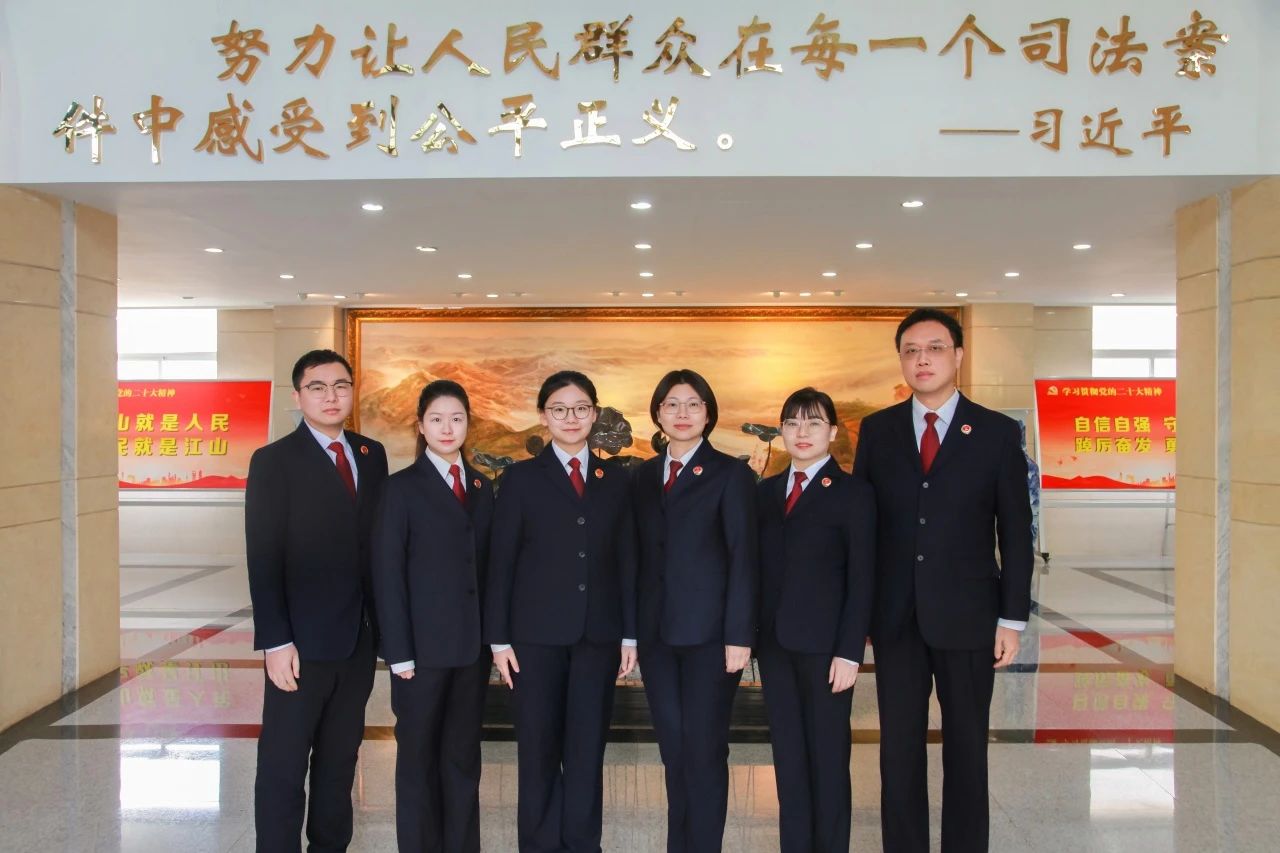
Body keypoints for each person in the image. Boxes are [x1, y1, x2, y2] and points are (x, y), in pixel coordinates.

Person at [853, 308, 1033, 853]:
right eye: (910, 350)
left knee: (967, 748)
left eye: (934, 348)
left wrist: (1012, 618)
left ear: (958, 355)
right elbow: (863, 528)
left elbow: (1016, 531)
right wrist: (860, 613)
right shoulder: (878, 431)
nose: (922, 359)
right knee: (898, 750)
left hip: (971, 616)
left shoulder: (997, 432)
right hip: (897, 618)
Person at [484, 370, 638, 853]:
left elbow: (628, 559)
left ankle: (582, 844)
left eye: (580, 408)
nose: (571, 418)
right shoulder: (520, 479)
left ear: (595, 413)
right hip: (533, 640)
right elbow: (501, 562)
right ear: (543, 416)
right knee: (537, 751)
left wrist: (630, 635)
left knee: (587, 752)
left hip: (598, 637)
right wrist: (498, 639)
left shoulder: (616, 480)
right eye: (559, 409)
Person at [246, 349, 388, 853]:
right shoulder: (273, 462)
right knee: (284, 765)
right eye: (317, 387)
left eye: (341, 386)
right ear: (297, 396)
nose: (331, 396)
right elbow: (263, 556)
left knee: (339, 761)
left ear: (353, 392)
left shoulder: (371, 455)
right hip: (299, 645)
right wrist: (275, 641)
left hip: (357, 641)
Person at [632, 369, 758, 853]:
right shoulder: (643, 476)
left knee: (704, 752)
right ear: (658, 413)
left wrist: (739, 636)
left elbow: (744, 557)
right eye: (672, 404)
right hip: (657, 637)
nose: (682, 413)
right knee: (673, 750)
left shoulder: (731, 474)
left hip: (711, 639)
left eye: (692, 404)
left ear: (708, 413)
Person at [372, 379, 495, 853]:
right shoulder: (400, 489)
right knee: (418, 761)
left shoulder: (482, 487)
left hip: (470, 652)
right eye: (437, 419)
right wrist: (398, 652)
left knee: (463, 761)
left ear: (468, 424)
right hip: (419, 655)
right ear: (421, 426)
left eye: (457, 418)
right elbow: (388, 575)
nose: (448, 428)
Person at [756, 387, 875, 853]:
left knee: (828, 761)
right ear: (782, 431)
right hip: (776, 648)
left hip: (828, 652)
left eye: (813, 422)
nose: (801, 432)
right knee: (788, 762)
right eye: (792, 423)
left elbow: (863, 579)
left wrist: (850, 651)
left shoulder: (854, 494)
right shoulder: (765, 493)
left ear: (832, 431)